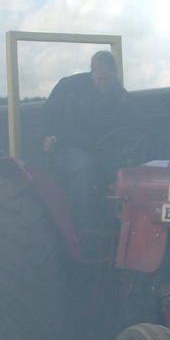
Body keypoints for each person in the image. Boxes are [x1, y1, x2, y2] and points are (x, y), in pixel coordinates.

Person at [43, 50, 128, 235]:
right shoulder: (69, 88)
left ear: (114, 74)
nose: (102, 83)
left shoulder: (121, 97)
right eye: (99, 78)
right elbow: (47, 115)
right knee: (84, 167)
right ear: (92, 73)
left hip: (102, 148)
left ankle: (120, 226)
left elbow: (128, 126)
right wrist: (48, 135)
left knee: (126, 168)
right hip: (67, 146)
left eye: (106, 79)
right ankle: (83, 229)